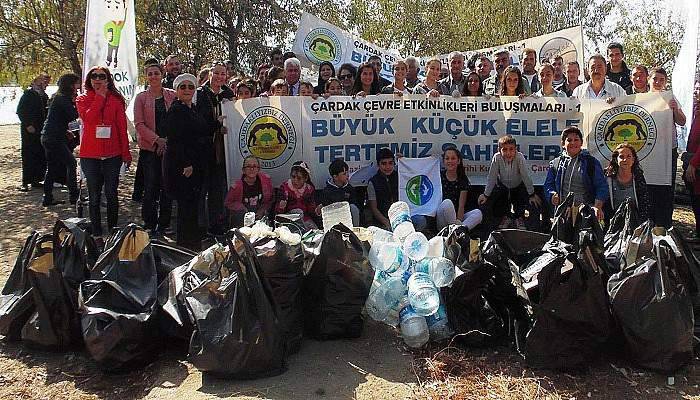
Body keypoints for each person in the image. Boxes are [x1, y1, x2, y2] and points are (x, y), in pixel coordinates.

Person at [76, 66, 131, 237]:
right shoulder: (82, 99)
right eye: (94, 76)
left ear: (108, 79)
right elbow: (89, 118)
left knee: (111, 193)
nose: (98, 79)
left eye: (102, 76)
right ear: (89, 79)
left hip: (112, 155)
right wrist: (99, 97)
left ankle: (113, 229)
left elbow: (122, 128)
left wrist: (126, 153)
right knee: (94, 196)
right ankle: (97, 232)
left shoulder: (116, 99)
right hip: (90, 156)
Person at [163, 74, 209, 250]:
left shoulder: (192, 109)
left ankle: (192, 243)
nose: (187, 90)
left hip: (194, 164)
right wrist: (186, 164)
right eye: (183, 87)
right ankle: (185, 247)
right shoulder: (176, 111)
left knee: (191, 206)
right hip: (182, 166)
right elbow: (175, 141)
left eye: (191, 87)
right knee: (185, 207)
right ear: (177, 91)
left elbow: (201, 130)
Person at [133, 58, 176, 233]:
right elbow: (139, 124)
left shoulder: (172, 95)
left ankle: (164, 224)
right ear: (146, 77)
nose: (153, 76)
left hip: (169, 148)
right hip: (149, 149)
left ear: (162, 74)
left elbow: (177, 120)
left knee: (167, 186)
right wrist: (156, 139)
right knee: (150, 186)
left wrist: (167, 141)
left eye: (156, 73)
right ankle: (149, 223)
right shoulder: (141, 98)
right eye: (150, 74)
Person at [198, 61, 236, 234]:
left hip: (224, 148)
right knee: (202, 188)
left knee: (218, 187)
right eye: (217, 73)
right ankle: (200, 225)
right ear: (210, 73)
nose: (220, 76)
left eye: (223, 74)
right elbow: (198, 122)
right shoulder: (200, 94)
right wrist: (215, 125)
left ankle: (216, 223)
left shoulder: (228, 93)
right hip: (205, 148)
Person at [648, 66, 686, 228]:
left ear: (665, 82)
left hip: (667, 151)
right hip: (648, 151)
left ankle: (665, 225)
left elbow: (682, 121)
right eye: (655, 79)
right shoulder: (640, 98)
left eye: (661, 80)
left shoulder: (670, 97)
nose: (657, 82)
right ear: (649, 80)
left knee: (666, 188)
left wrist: (675, 109)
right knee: (648, 187)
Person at [544, 126, 608, 221]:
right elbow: (548, 185)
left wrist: (597, 206)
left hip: (585, 212)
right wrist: (552, 195)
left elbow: (602, 186)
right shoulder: (555, 163)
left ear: (581, 143)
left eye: (576, 140)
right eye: (569, 140)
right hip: (563, 212)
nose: (573, 143)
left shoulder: (591, 163)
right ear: (563, 144)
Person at [478, 135, 540, 229]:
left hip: (518, 185)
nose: (508, 153)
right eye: (504, 150)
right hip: (503, 185)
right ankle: (505, 217)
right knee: (498, 201)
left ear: (516, 149)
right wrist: (486, 195)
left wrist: (531, 194)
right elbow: (492, 177)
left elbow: (526, 176)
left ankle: (519, 218)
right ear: (499, 150)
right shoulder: (497, 157)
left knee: (524, 202)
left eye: (511, 149)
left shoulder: (519, 157)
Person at [39, 73, 81, 207]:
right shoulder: (62, 99)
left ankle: (47, 197)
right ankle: (74, 196)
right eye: (76, 84)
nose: (78, 86)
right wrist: (78, 101)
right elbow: (74, 115)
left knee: (51, 168)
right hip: (53, 138)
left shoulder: (58, 98)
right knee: (71, 163)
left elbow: (58, 119)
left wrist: (65, 131)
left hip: (50, 136)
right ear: (70, 85)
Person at [436, 146, 483, 230]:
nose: (450, 161)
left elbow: (461, 205)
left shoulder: (462, 179)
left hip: (457, 218)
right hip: (442, 218)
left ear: (458, 161)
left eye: (453, 158)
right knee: (447, 203)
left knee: (478, 213)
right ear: (443, 161)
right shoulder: (438, 176)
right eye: (447, 158)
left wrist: (458, 220)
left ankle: (458, 232)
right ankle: (456, 232)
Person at [16, 74, 49, 191]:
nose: (43, 83)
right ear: (34, 82)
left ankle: (36, 179)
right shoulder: (28, 95)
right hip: (29, 129)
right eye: (40, 81)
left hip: (40, 128)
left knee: (39, 153)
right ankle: (25, 181)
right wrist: (28, 124)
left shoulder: (43, 96)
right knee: (28, 154)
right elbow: (20, 111)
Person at [603, 143, 650, 223]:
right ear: (616, 159)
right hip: (612, 220)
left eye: (628, 156)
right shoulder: (607, 176)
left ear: (633, 159)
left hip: (635, 219)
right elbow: (604, 202)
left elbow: (644, 203)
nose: (625, 160)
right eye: (621, 157)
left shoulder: (638, 176)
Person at [224, 156, 274, 227]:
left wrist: (262, 210)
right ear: (243, 170)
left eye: (254, 166)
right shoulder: (236, 186)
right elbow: (228, 203)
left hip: (260, 215)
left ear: (258, 169)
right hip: (243, 217)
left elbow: (270, 200)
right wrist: (243, 209)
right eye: (248, 166)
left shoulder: (266, 181)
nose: (252, 169)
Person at [317, 159, 361, 227]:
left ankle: (355, 233)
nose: (347, 175)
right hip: (333, 220)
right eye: (344, 174)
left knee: (353, 208)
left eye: (347, 172)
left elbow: (354, 204)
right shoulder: (327, 191)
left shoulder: (350, 188)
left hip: (347, 219)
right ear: (335, 177)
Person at [276, 161, 318, 229]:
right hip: (288, 219)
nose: (295, 180)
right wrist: (281, 207)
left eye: (299, 178)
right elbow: (278, 212)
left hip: (304, 219)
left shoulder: (309, 189)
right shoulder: (284, 188)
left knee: (316, 232)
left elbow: (311, 210)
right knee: (298, 212)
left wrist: (316, 210)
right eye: (293, 177)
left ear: (305, 178)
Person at [683, 81, 700, 240]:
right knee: (695, 199)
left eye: (699, 89)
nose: (696, 92)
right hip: (693, 161)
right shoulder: (696, 110)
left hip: (697, 164)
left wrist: (693, 164)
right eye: (695, 89)